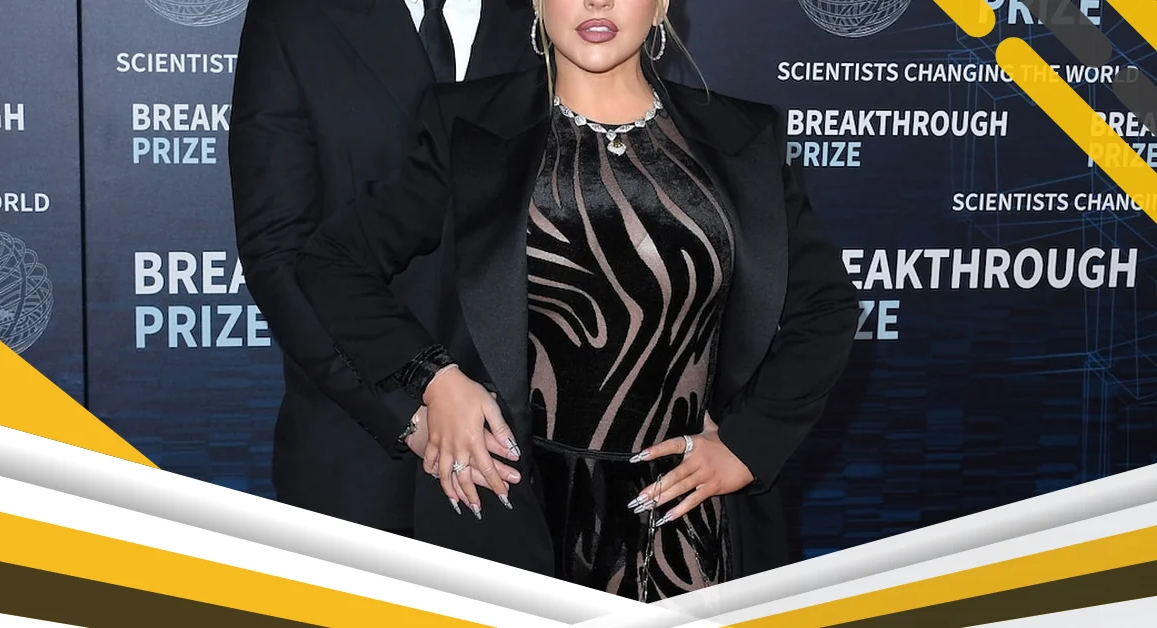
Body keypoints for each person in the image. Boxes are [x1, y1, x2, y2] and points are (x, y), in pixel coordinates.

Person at [295, 0, 860, 599]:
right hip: (517, 511)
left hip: (688, 520)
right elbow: (333, 262)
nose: (597, 2)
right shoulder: (467, 125)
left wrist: (749, 444)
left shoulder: (742, 135)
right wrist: (434, 380)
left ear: (662, 5)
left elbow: (825, 309)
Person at [228, 0, 541, 537]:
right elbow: (277, 253)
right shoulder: (296, 15)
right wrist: (409, 414)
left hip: (522, 453)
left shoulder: (553, 15)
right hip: (357, 447)